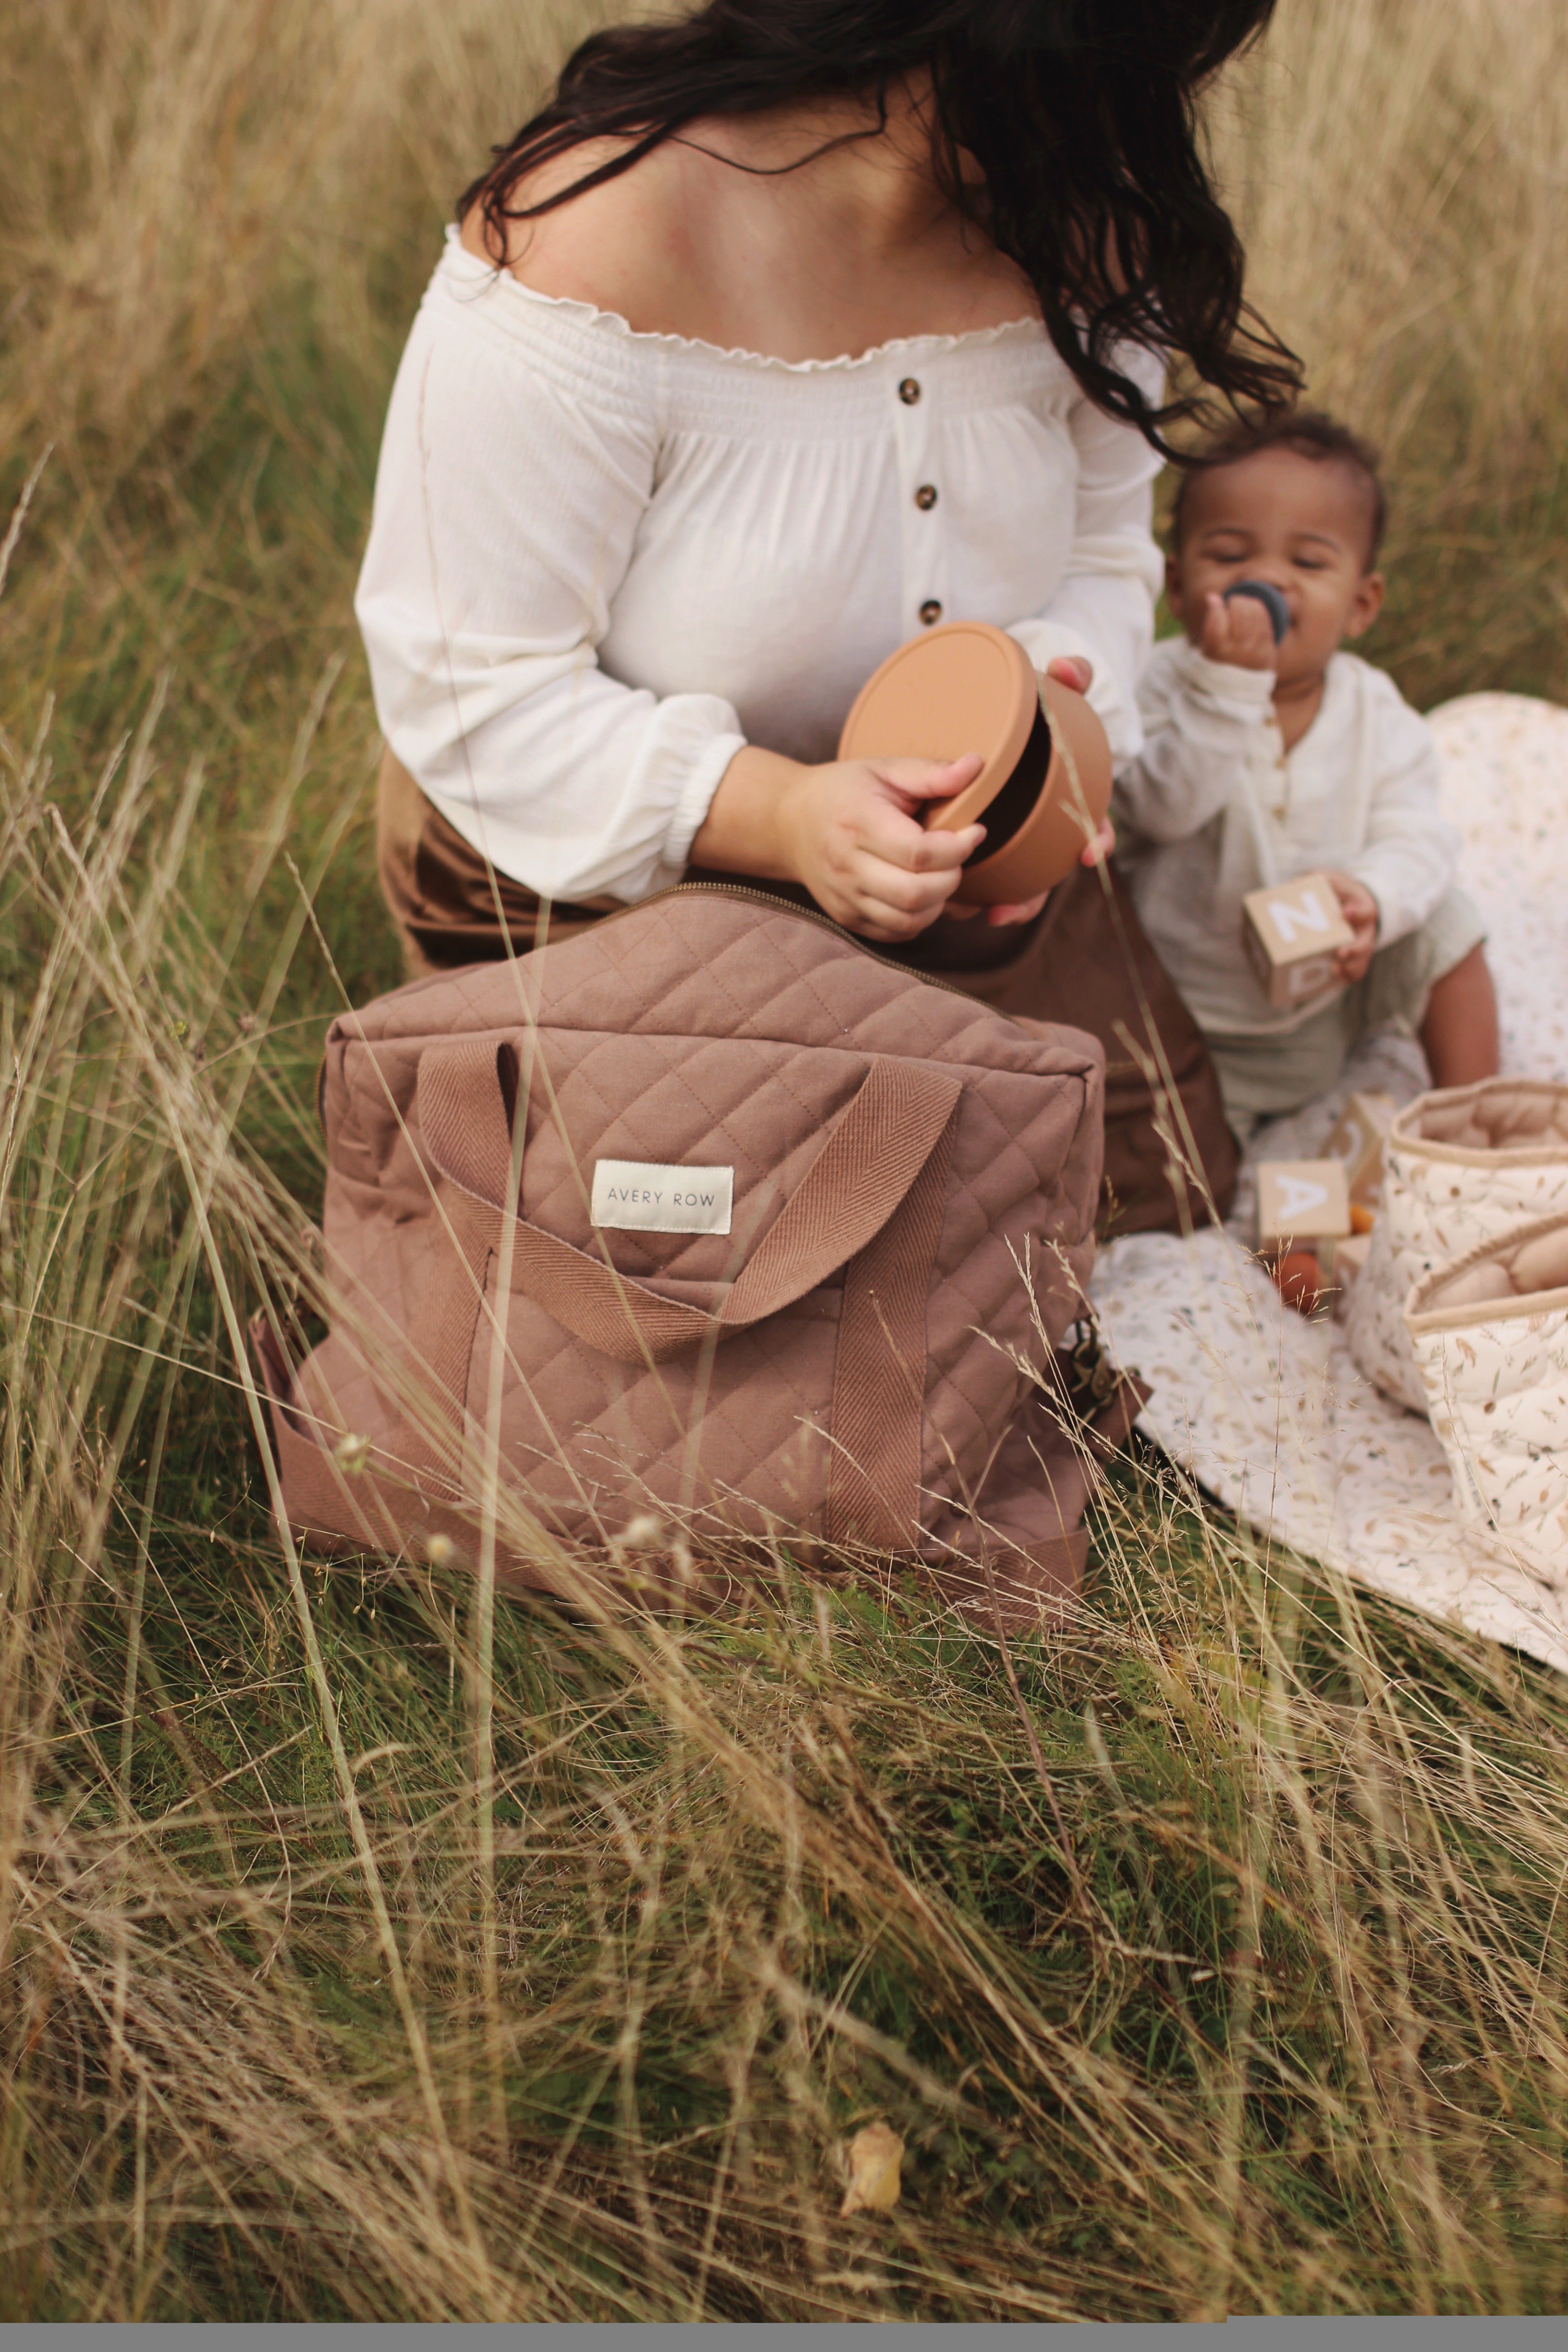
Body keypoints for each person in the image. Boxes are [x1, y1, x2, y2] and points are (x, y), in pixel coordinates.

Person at [356, 0, 1302, 1228]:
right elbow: (476, 692)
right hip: (615, 896)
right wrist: (790, 815)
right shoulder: (596, 239)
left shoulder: (1092, 226)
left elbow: (1106, 557)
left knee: (1157, 1207)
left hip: (970, 890)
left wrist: (1046, 750)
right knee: (745, 1288)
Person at [1111, 411, 1499, 1143]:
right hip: (1182, 1027)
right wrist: (1228, 691)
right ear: (1175, 585)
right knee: (1210, 1184)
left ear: (1361, 604)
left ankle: (1475, 1121)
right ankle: (1256, 1219)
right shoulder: (1158, 688)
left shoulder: (1374, 711)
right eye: (1228, 555)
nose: (1266, 580)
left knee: (1448, 921)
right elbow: (1157, 811)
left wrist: (1374, 901)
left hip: (1329, 1006)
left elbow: (1419, 835)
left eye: (1310, 565)